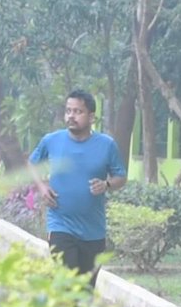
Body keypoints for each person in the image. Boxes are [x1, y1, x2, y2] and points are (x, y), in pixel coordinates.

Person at [28, 89, 126, 285]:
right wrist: (42, 186)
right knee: (68, 284)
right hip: (60, 225)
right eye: (68, 111)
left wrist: (106, 184)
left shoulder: (106, 145)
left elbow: (120, 177)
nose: (71, 116)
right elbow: (32, 164)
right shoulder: (51, 140)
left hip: (93, 232)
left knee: (85, 292)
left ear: (91, 117)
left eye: (77, 112)